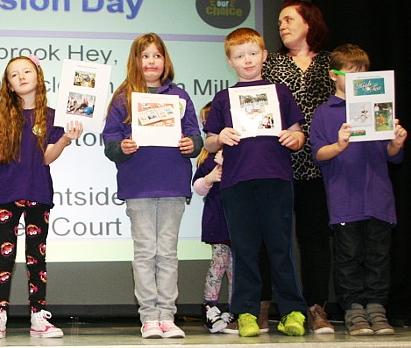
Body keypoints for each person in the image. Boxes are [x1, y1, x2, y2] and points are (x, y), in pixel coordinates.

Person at [204, 27, 308, 337]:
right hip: (236, 183)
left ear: (263, 55)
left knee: (280, 248)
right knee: (245, 250)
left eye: (252, 53)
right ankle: (246, 313)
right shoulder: (223, 99)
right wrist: (219, 137)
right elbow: (209, 143)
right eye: (239, 56)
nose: (247, 60)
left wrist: (295, 138)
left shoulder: (280, 93)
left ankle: (292, 311)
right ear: (229, 61)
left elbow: (299, 134)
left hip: (276, 179)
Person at [0, 55, 82, 339]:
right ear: (7, 84)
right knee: (4, 255)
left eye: (26, 71)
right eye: (13, 74)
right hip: (6, 192)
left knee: (36, 256)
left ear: (38, 76)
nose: (21, 77)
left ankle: (38, 316)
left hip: (38, 191)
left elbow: (46, 158)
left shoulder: (53, 115)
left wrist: (66, 139)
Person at [102, 33, 202, 339]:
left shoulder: (180, 97)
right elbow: (109, 141)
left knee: (168, 253)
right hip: (138, 186)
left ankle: (167, 316)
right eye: (145, 56)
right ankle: (148, 317)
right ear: (135, 61)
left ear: (165, 61)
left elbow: (195, 136)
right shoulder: (123, 98)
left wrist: (191, 144)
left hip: (172, 184)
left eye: (157, 55)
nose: (151, 62)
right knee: (146, 252)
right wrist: (123, 146)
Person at [309, 43, 406, 336]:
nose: (358, 82)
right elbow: (318, 154)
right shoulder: (325, 112)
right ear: (333, 75)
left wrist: (397, 142)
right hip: (344, 198)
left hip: (378, 197)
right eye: (351, 75)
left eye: (363, 75)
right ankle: (354, 311)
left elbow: (392, 155)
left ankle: (377, 309)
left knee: (378, 256)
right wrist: (338, 144)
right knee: (348, 256)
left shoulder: (379, 106)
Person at [262, 0, 336, 334]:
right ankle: (263, 306)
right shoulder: (271, 64)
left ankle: (316, 307)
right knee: (270, 238)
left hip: (320, 166)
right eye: (279, 22)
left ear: (309, 23)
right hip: (276, 163)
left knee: (315, 239)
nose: (282, 25)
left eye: (289, 19)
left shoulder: (331, 65)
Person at [192, 103, 234, 334]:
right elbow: (198, 187)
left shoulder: (239, 152)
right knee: (218, 264)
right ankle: (211, 308)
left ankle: (236, 309)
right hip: (218, 220)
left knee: (237, 268)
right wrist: (210, 177)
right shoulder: (206, 157)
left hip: (239, 223)